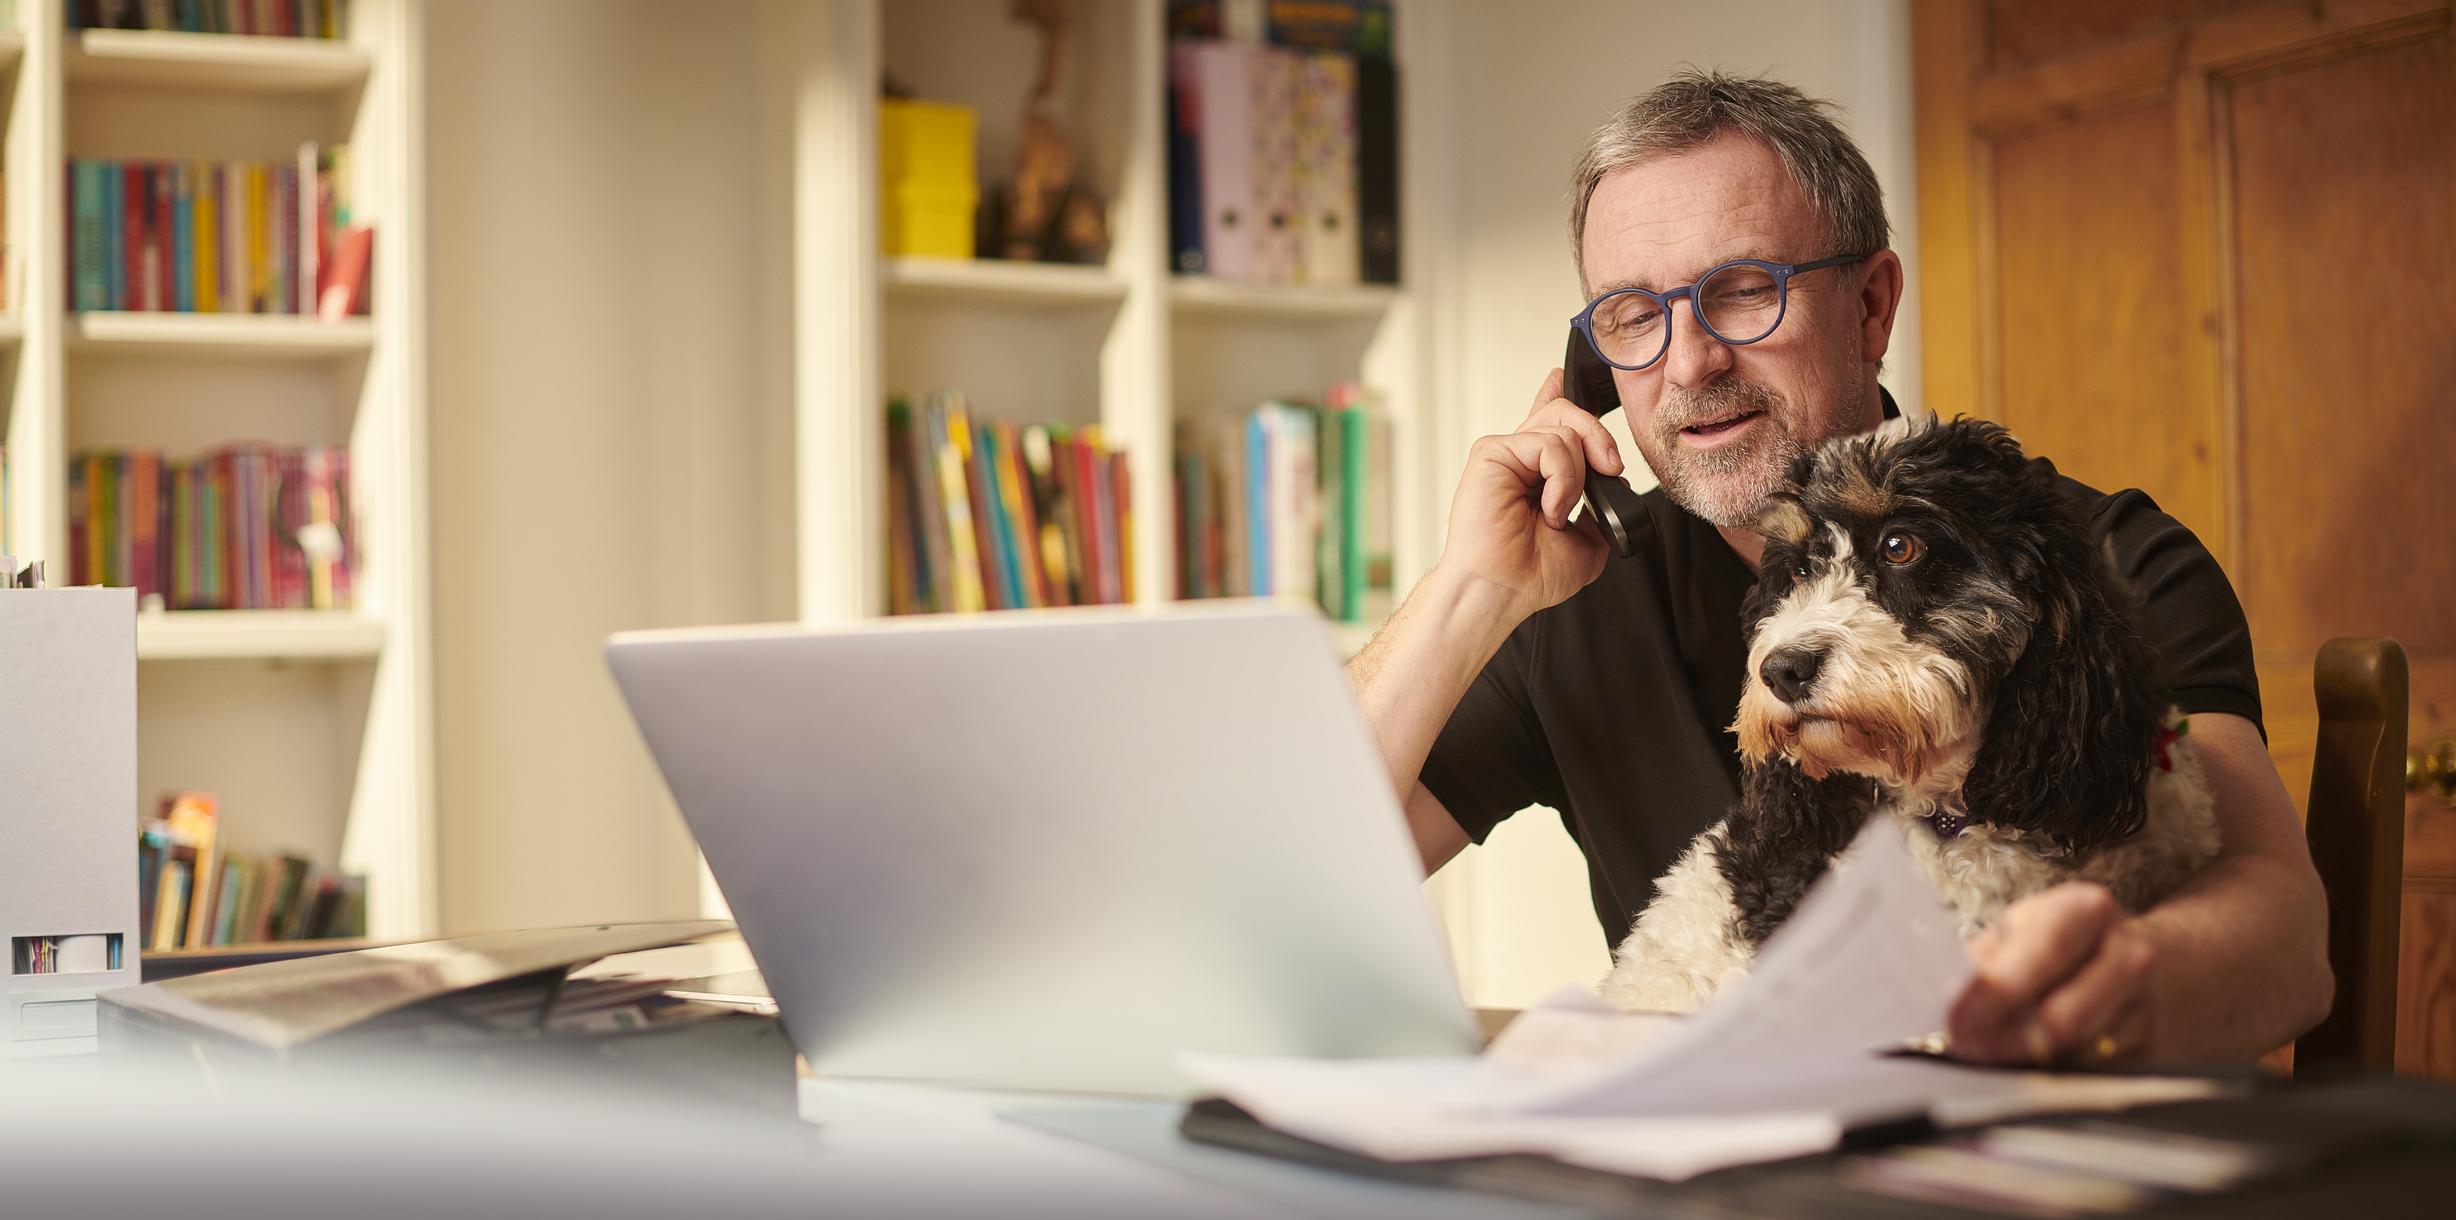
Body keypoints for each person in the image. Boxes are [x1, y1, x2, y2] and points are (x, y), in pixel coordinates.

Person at [1349, 71, 2331, 1066]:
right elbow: (1269, 873)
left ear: (1868, 306)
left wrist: (2098, 986)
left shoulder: (2097, 562)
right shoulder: (1572, 592)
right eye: (1632, 315)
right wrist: (1468, 588)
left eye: (1741, 291)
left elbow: (2285, 940)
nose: (1687, 365)